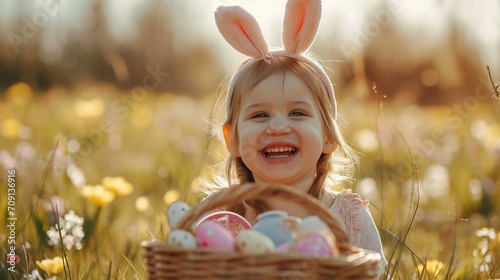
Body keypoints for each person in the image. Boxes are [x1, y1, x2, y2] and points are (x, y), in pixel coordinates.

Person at [200, 0, 387, 275]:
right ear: (233, 140)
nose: (277, 127)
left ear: (328, 136)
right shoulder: (224, 217)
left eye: (297, 113)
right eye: (259, 115)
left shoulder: (349, 219)